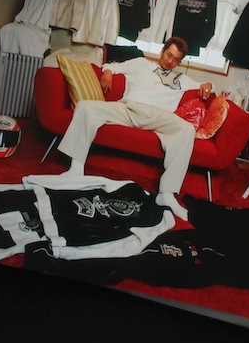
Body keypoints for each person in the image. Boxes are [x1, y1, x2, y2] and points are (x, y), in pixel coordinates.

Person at [58, 36, 213, 221]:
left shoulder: (182, 79)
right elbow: (112, 66)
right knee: (85, 107)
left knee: (186, 130)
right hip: (129, 109)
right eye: (168, 55)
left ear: (179, 62)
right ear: (162, 51)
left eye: (176, 59)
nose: (170, 61)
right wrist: (107, 73)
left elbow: (207, 87)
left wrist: (208, 85)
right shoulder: (141, 63)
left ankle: (167, 194)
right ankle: (75, 169)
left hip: (159, 117)